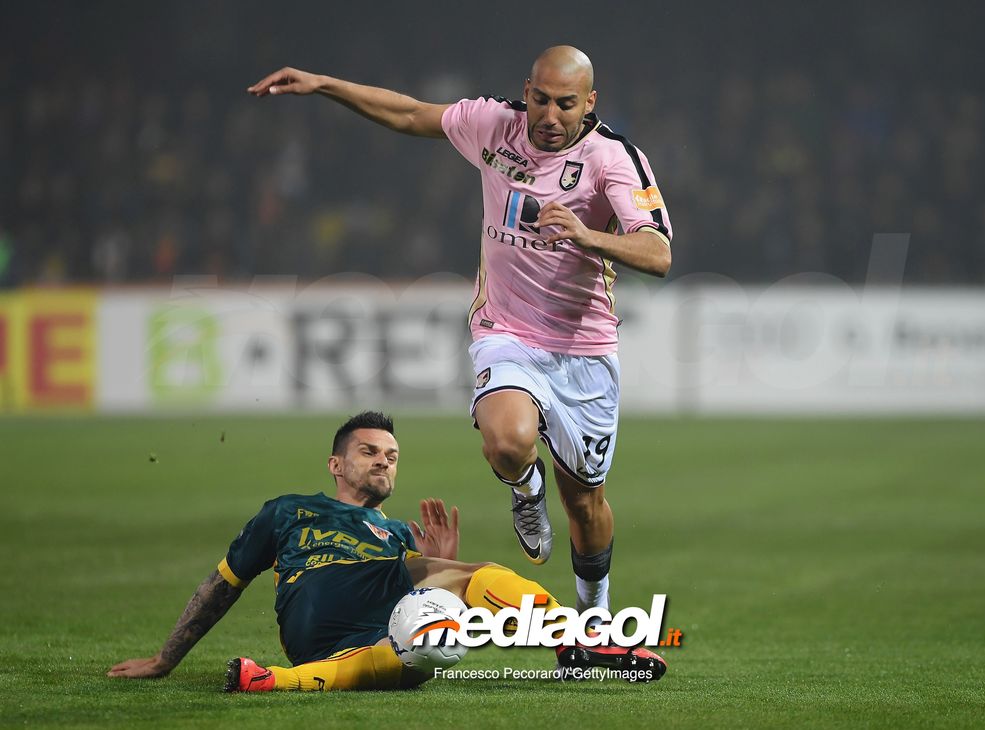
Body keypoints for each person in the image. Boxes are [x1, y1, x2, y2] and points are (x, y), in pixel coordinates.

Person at [247, 46, 673, 620]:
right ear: (526, 91)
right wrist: (324, 83)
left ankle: (593, 619)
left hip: (583, 350)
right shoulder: (495, 126)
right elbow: (409, 114)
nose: (549, 116)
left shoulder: (614, 161)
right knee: (507, 440)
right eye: (540, 100)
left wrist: (587, 235)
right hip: (505, 329)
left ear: (589, 103)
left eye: (565, 105)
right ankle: (525, 492)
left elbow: (659, 253)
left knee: (587, 503)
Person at [108, 412, 665, 691]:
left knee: (427, 643)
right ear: (336, 465)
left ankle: (272, 680)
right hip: (316, 611)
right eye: (369, 451)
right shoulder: (288, 511)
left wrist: (439, 570)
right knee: (472, 576)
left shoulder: (398, 535)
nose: (383, 461)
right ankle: (581, 640)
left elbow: (427, 592)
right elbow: (224, 582)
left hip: (372, 639)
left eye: (392, 455)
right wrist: (167, 658)